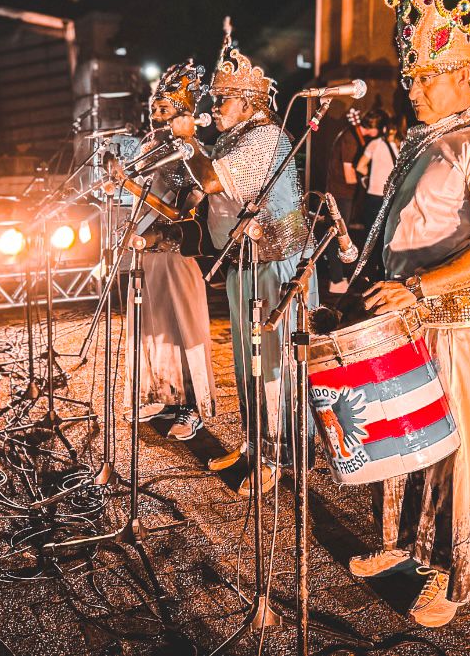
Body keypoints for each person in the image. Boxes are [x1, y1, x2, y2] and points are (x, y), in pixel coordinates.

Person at [349, 0, 470, 627]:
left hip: (460, 325)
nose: (412, 89)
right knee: (406, 445)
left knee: (454, 451)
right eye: (408, 77)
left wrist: (420, 285)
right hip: (415, 319)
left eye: (424, 77)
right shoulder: (428, 139)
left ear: (461, 74)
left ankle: (456, 577)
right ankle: (402, 549)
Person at [170, 29, 317, 496]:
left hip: (276, 266)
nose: (213, 107)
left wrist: (190, 141)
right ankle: (256, 443)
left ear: (250, 103)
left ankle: (277, 456)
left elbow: (212, 180)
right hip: (244, 264)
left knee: (271, 365)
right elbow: (203, 183)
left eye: (222, 100)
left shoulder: (267, 136)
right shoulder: (235, 138)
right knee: (246, 362)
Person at [117, 60, 216, 441]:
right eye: (153, 108)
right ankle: (162, 395)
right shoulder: (148, 146)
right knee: (151, 326)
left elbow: (186, 210)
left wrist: (129, 186)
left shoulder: (189, 151)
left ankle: (193, 407)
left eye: (164, 109)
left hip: (177, 252)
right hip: (147, 251)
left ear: (183, 112)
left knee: (181, 328)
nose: (155, 115)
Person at [324, 111, 366, 293]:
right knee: (337, 236)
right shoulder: (350, 139)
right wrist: (368, 179)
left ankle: (339, 278)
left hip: (342, 193)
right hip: (340, 194)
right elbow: (349, 176)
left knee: (340, 237)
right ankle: (336, 279)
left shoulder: (352, 136)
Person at [354, 108, 398, 243]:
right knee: (387, 234)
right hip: (391, 196)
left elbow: (360, 166)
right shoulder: (401, 146)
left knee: (371, 235)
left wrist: (370, 175)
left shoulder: (375, 144)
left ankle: (370, 262)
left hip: (373, 195)